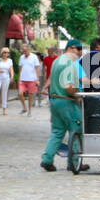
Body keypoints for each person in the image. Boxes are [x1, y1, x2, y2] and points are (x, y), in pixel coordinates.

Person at [40, 40, 83, 171]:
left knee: (57, 131)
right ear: (71, 48)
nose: (80, 52)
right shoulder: (69, 62)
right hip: (67, 101)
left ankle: (47, 159)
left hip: (54, 100)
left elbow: (52, 78)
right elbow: (69, 86)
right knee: (76, 129)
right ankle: (74, 162)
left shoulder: (56, 61)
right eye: (79, 49)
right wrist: (78, 95)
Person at [17, 43, 40, 116]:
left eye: (25, 50)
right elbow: (20, 69)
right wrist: (19, 79)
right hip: (22, 79)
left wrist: (37, 79)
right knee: (20, 93)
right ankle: (24, 108)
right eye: (23, 51)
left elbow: (37, 69)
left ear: (28, 49)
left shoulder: (34, 57)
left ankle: (29, 111)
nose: (24, 52)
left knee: (30, 96)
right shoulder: (21, 57)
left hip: (32, 79)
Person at [0, 50, 13, 115]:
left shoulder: (9, 61)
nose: (6, 54)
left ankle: (4, 109)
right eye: (4, 52)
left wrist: (12, 76)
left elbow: (11, 69)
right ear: (2, 53)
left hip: (6, 78)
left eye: (7, 52)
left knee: (4, 93)